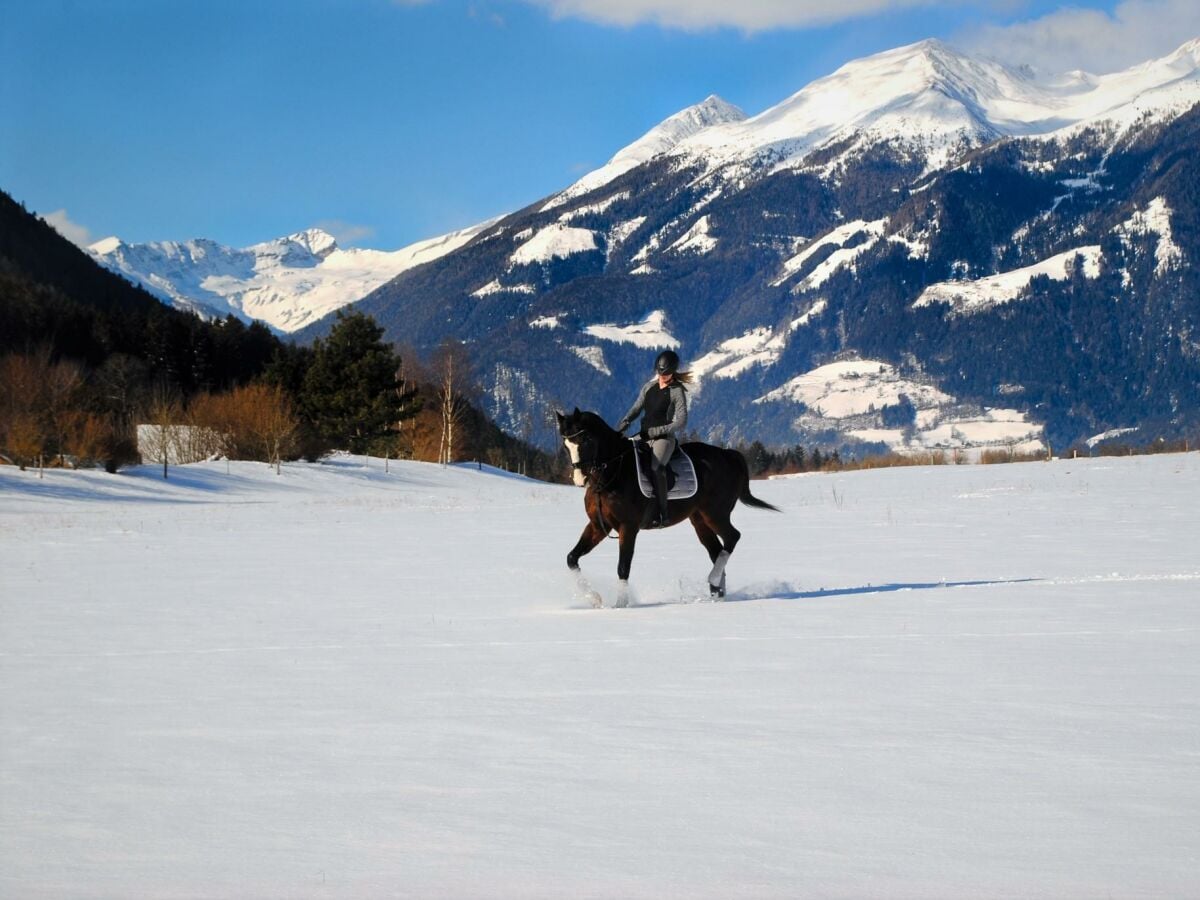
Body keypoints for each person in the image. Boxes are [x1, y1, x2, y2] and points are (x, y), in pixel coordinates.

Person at [615, 349, 692, 528]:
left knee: (656, 467)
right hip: (643, 436)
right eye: (660, 373)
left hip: (664, 439)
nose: (662, 376)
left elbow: (681, 421)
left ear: (673, 371)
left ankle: (663, 514)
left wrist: (658, 431)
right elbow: (637, 408)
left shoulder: (676, 391)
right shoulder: (648, 387)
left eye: (666, 374)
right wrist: (626, 420)